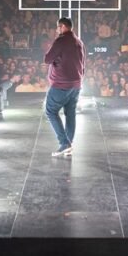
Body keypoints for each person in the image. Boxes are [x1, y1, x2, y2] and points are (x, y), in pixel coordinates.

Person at [43, 15, 85, 157]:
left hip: (61, 83)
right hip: (76, 84)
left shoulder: (60, 41)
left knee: (50, 111)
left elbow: (47, 59)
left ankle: (64, 143)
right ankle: (69, 144)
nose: (57, 30)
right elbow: (83, 63)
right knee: (70, 113)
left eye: (58, 27)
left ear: (63, 27)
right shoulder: (79, 42)